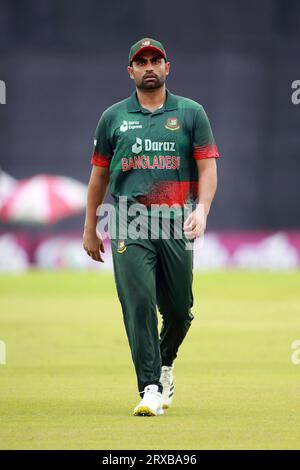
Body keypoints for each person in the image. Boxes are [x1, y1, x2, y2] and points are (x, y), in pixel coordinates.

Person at [83, 38, 219, 416]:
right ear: (130, 71)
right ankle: (150, 388)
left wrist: (203, 209)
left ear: (167, 67)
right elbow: (98, 179)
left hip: (176, 220)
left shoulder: (191, 113)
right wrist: (90, 227)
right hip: (129, 220)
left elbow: (208, 169)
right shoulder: (113, 117)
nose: (148, 66)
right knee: (138, 303)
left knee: (179, 312)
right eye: (140, 61)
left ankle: (165, 363)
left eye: (155, 60)